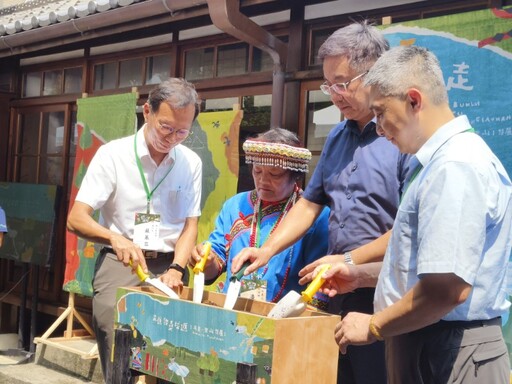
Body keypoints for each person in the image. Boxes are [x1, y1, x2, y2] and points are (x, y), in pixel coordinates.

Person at [305, 45, 512, 383]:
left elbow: (446, 290)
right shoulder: (435, 164)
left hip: (451, 349)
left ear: (414, 101)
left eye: (381, 112)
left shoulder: (454, 166)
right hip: (429, 341)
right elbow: (422, 266)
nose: (379, 128)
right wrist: (359, 275)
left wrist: (373, 325)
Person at [231, 21, 409, 384]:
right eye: (329, 85)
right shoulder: (337, 137)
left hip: (385, 293)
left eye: (342, 84)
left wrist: (348, 261)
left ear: (376, 73)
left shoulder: (402, 138)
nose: (334, 95)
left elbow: (409, 228)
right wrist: (266, 250)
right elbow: (310, 205)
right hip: (333, 290)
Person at [67, 78, 202, 382]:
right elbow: (76, 218)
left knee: (174, 359)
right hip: (122, 262)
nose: (172, 138)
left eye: (183, 132)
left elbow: (190, 225)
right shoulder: (113, 155)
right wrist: (114, 237)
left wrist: (178, 268)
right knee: (119, 349)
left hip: (169, 265)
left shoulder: (190, 162)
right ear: (147, 111)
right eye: (166, 127)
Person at [190, 128, 330, 307]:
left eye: (275, 174)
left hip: (282, 317)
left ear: (296, 175)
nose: (263, 180)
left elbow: (318, 280)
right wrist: (206, 260)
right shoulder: (235, 205)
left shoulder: (314, 216)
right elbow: (215, 264)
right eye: (257, 171)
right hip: (232, 309)